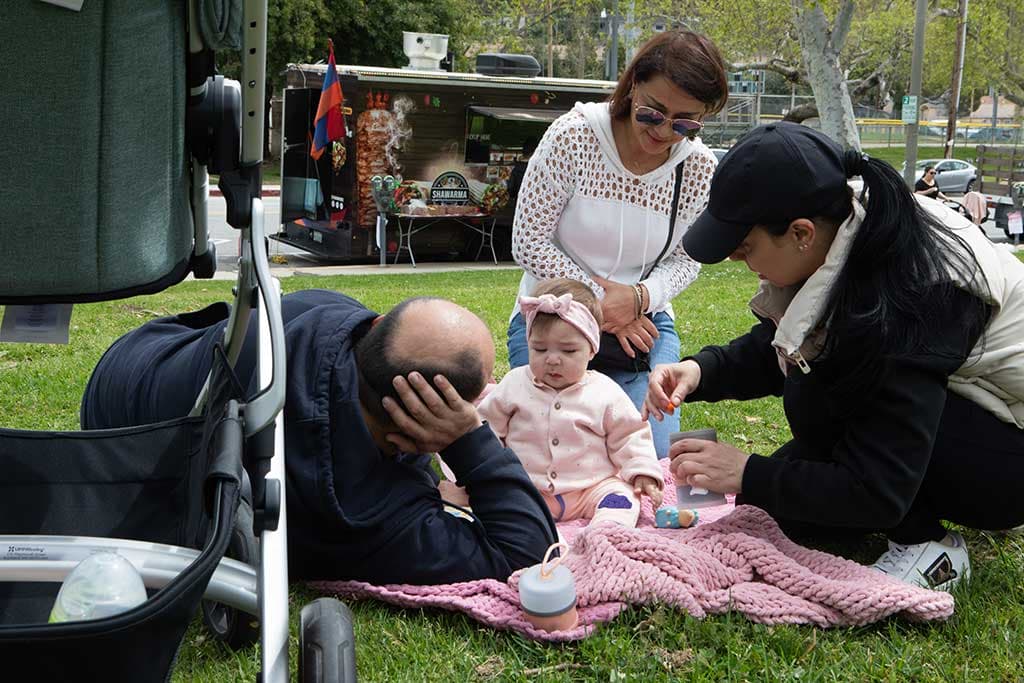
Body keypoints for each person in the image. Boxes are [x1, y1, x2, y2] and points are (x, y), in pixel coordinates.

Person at [645, 122, 1024, 591]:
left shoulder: (913, 293)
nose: (738, 264)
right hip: (957, 409)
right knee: (772, 510)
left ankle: (925, 542)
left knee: (820, 393)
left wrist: (745, 471)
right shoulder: (847, 227)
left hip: (1010, 461)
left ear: (802, 232)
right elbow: (787, 340)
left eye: (745, 250)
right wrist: (702, 370)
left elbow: (876, 490)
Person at [80, 289, 558, 585]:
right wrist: (468, 440)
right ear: (421, 425)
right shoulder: (368, 515)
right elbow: (526, 550)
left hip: (130, 367)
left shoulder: (326, 311)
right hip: (118, 460)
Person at [508, 30, 729, 459]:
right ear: (631, 88)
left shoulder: (700, 167)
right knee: (557, 454)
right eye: (653, 113)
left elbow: (689, 259)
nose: (664, 131)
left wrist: (639, 297)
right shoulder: (573, 137)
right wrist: (603, 305)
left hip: (645, 326)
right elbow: (528, 240)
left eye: (685, 123)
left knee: (648, 456)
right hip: (554, 317)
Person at [478, 279, 664, 528]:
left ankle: (607, 529)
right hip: (529, 490)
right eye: (540, 349)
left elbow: (629, 434)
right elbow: (484, 431)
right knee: (495, 505)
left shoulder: (605, 391)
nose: (553, 360)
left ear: (591, 350)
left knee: (621, 497)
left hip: (591, 487)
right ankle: (524, 528)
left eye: (568, 351)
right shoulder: (514, 385)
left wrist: (642, 470)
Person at [506, 135, 538, 205]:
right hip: (535, 205)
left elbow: (511, 191)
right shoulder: (538, 170)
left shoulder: (516, 169)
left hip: (520, 205)